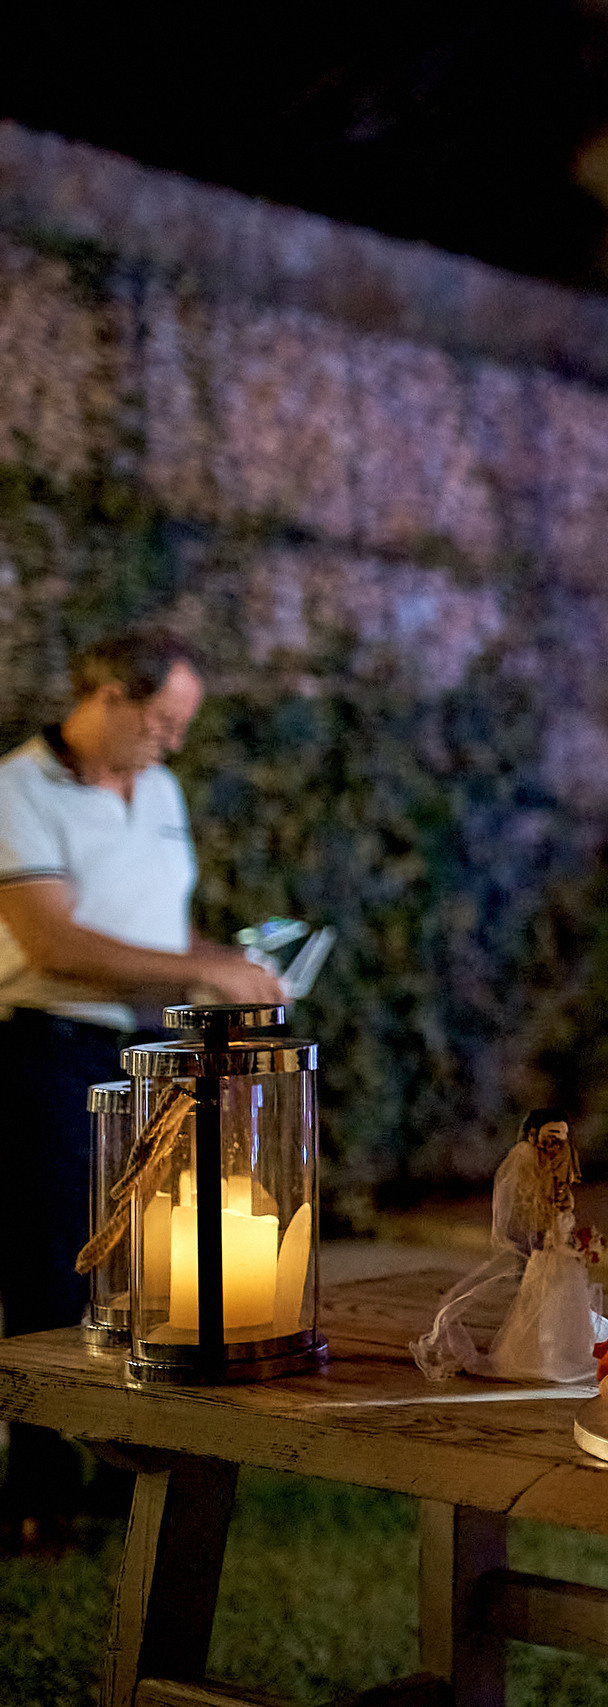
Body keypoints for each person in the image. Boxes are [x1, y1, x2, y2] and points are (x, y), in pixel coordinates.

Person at [0, 628, 283, 1549]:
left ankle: (136, 1466)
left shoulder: (160, 790)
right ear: (110, 694)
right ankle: (39, 1483)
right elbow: (56, 944)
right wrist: (197, 970)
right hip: (47, 1046)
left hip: (150, 1049)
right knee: (52, 1265)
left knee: (151, 1262)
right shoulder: (17, 789)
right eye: (162, 720)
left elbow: (164, 921)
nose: (173, 742)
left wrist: (222, 966)